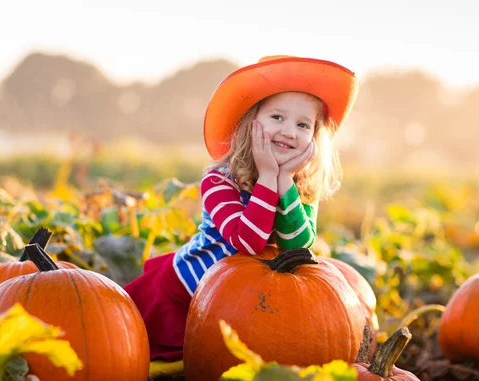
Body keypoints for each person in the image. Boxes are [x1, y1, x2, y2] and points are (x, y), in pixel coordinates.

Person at [123, 55, 359, 361]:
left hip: (247, 303)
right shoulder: (220, 181)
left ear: (314, 138)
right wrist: (269, 177)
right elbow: (248, 243)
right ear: (251, 122)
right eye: (277, 117)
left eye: (303, 124)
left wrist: (284, 180)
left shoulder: (300, 186)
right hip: (188, 293)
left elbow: (297, 246)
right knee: (134, 350)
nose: (289, 131)